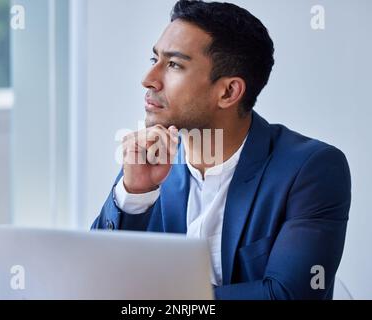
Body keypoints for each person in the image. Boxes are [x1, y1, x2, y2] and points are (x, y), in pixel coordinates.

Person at [91, 0, 351, 300]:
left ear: (228, 92)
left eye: (174, 64)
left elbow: (287, 295)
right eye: (154, 60)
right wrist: (133, 195)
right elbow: (100, 281)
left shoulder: (310, 168)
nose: (149, 79)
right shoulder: (150, 159)